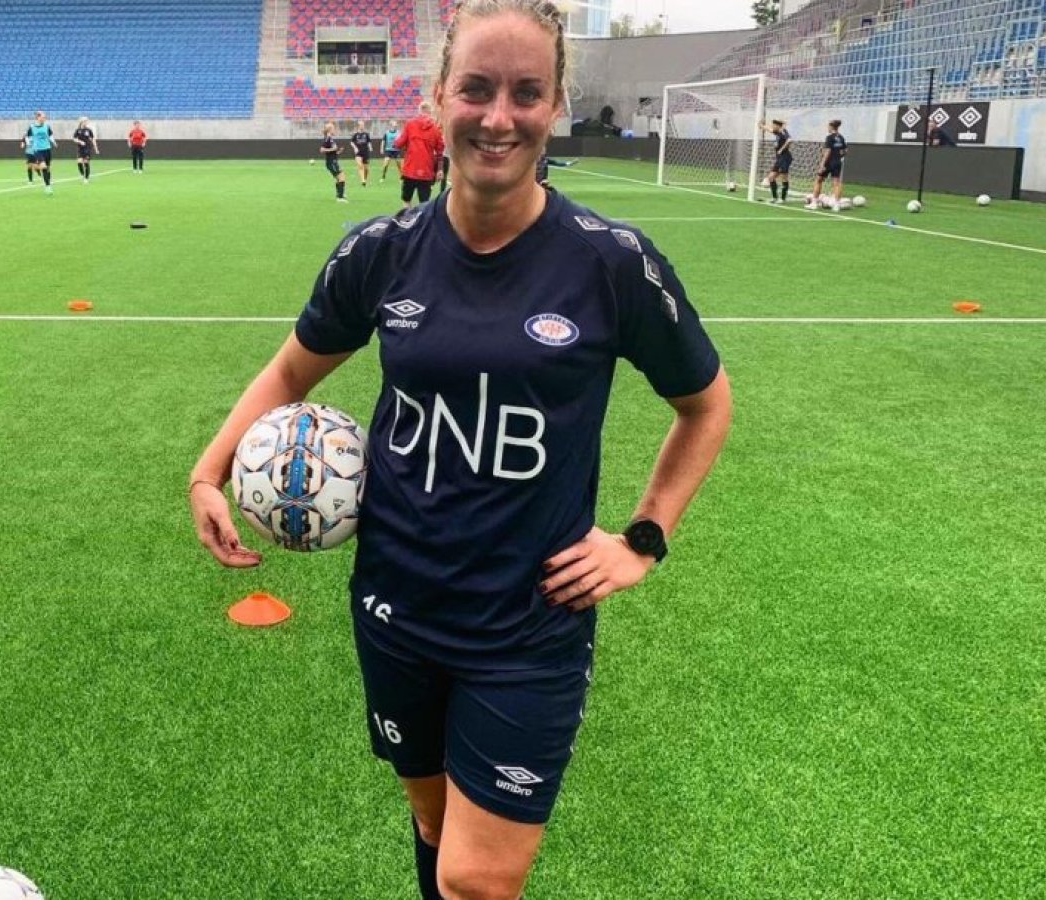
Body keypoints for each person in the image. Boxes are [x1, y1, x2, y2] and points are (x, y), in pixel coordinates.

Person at [187, 1, 732, 897]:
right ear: (438, 95)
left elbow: (704, 405)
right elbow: (290, 374)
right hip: (397, 606)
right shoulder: (379, 252)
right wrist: (209, 470)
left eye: (527, 92)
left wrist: (642, 538)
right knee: (434, 825)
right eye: (476, 89)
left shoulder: (610, 262)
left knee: (479, 879)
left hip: (527, 630)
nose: (499, 116)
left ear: (555, 105)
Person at [392, 101, 444, 208]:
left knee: (406, 200)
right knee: (424, 204)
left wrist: (396, 142)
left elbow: (399, 143)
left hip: (410, 170)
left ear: (419, 111)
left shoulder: (410, 124)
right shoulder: (435, 129)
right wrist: (440, 169)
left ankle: (407, 222)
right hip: (426, 171)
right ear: (430, 112)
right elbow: (440, 150)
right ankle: (422, 224)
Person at [807, 119, 847, 210]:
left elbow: (827, 151)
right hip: (837, 162)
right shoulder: (841, 137)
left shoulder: (829, 137)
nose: (827, 128)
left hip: (829, 162)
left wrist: (822, 164)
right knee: (836, 183)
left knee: (818, 180)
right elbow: (845, 150)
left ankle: (814, 203)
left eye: (828, 126)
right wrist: (839, 156)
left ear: (831, 127)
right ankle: (837, 205)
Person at [21, 110, 56, 194]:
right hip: (37, 150)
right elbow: (27, 136)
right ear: (38, 117)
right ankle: (47, 187)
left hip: (47, 149)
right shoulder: (32, 127)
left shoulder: (47, 126)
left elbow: (50, 135)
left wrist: (54, 142)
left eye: (44, 117)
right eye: (43, 117)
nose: (44, 118)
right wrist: (29, 143)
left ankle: (48, 183)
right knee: (43, 167)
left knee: (47, 168)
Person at [765, 119, 793, 204]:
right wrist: (762, 126)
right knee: (771, 177)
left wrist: (781, 149)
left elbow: (789, 140)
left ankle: (783, 198)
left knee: (784, 177)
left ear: (778, 126)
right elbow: (769, 130)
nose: (772, 126)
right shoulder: (778, 133)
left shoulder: (783, 131)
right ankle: (774, 197)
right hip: (779, 159)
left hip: (785, 158)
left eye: (773, 125)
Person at [320, 121, 349, 202]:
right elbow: (322, 150)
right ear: (330, 130)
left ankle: (340, 194)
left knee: (339, 178)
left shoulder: (331, 139)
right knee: (341, 177)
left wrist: (338, 151)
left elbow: (332, 152)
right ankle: (340, 197)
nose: (335, 130)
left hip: (333, 161)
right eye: (334, 129)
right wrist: (332, 149)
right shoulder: (328, 138)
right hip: (331, 162)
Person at [73, 116, 99, 183]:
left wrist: (96, 148)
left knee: (86, 162)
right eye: (85, 121)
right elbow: (74, 139)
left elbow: (93, 139)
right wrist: (80, 141)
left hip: (87, 148)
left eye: (87, 121)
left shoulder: (89, 130)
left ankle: (86, 178)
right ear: (81, 122)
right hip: (80, 148)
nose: (86, 122)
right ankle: (82, 175)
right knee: (79, 162)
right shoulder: (77, 130)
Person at [351, 121, 374, 187]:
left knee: (366, 168)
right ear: (358, 126)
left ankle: (365, 179)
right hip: (358, 153)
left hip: (365, 152)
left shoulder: (366, 134)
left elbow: (369, 142)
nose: (362, 126)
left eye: (363, 125)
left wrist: (370, 147)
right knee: (360, 166)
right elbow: (351, 142)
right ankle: (362, 180)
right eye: (361, 125)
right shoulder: (355, 134)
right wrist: (355, 148)